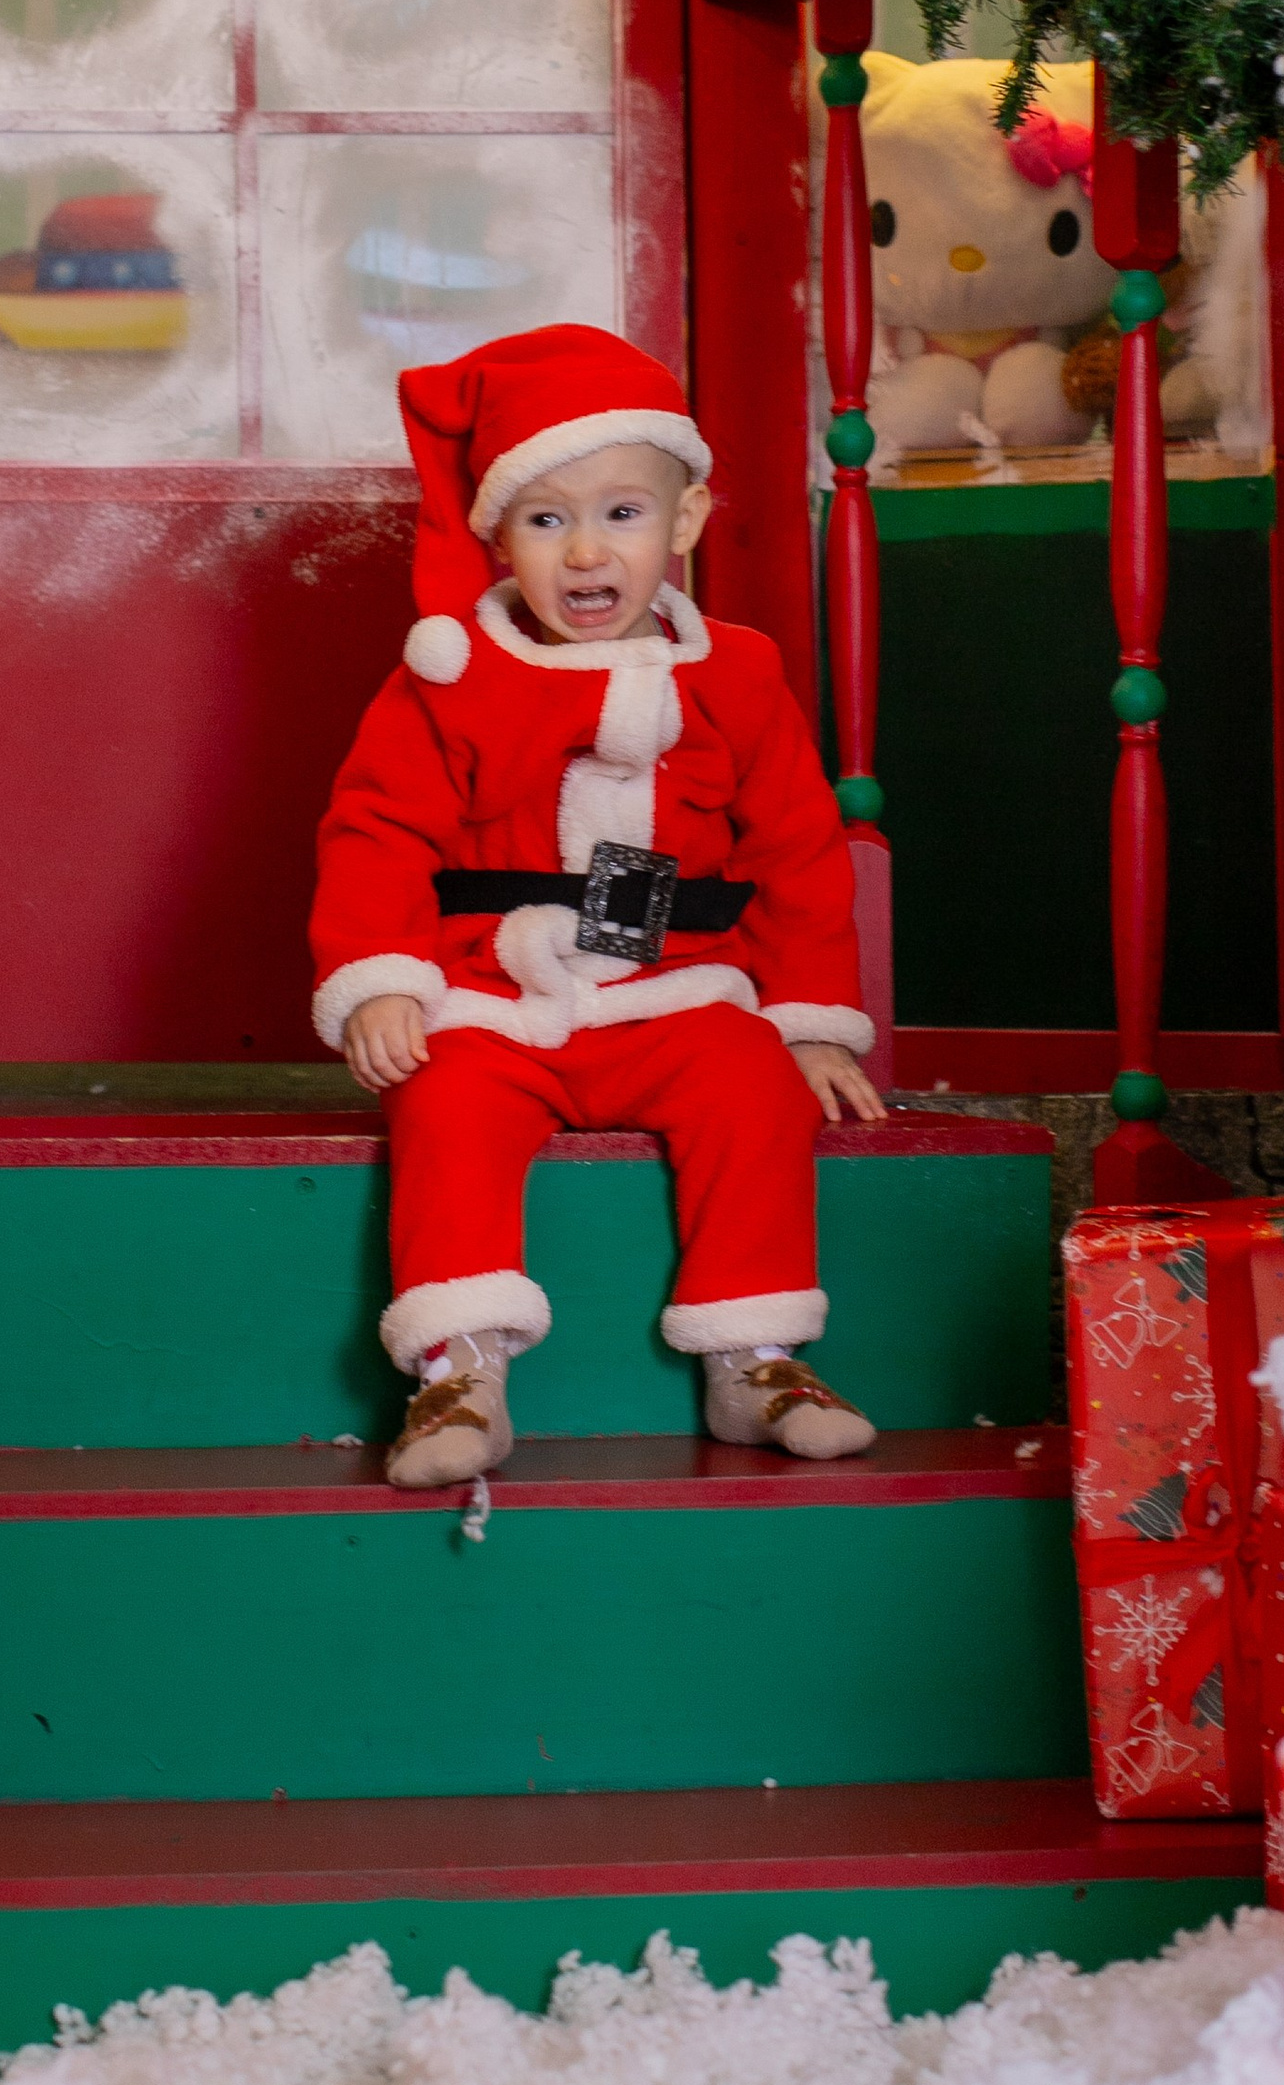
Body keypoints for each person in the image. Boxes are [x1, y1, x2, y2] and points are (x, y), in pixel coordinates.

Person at [311, 322, 886, 1491]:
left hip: (676, 994)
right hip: (497, 998)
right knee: (448, 1105)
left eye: (623, 514)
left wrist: (813, 1020)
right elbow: (375, 830)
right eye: (546, 518)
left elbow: (797, 850)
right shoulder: (449, 680)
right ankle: (457, 1369)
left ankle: (756, 1356)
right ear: (497, 539)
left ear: (684, 524)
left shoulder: (737, 673)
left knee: (750, 1083)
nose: (586, 553)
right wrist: (379, 979)